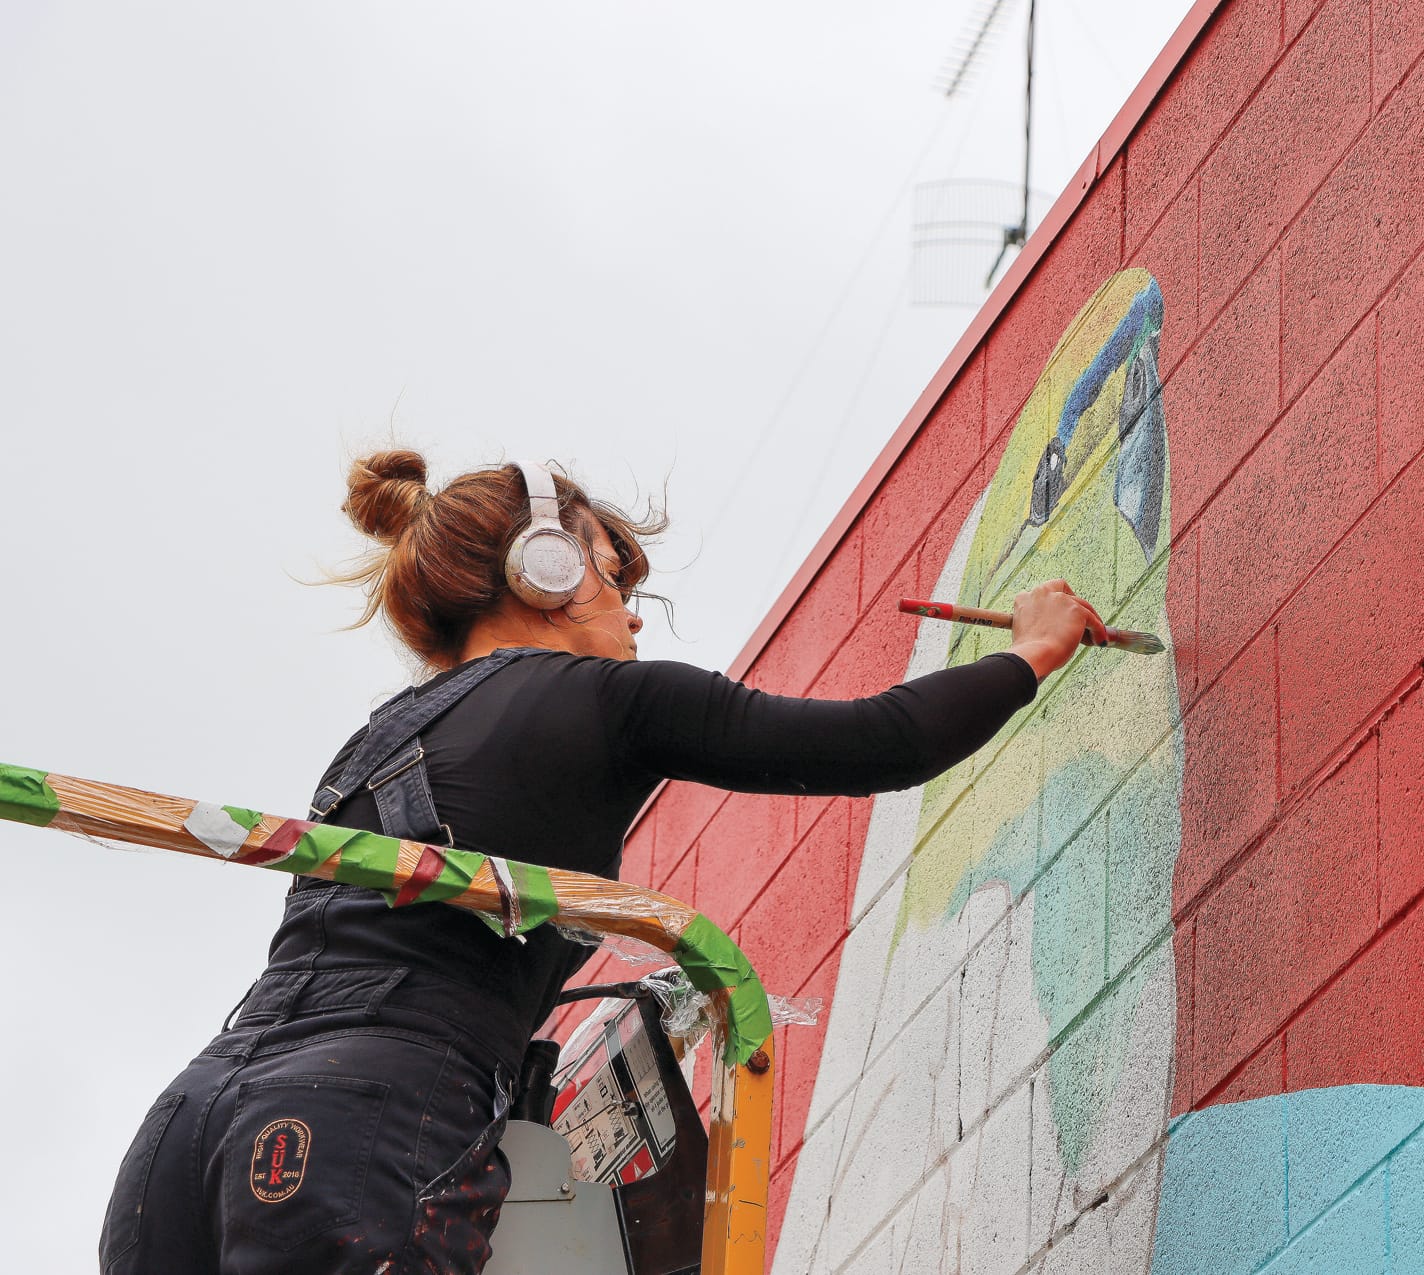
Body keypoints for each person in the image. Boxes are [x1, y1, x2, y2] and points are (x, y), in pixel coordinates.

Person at [98, 450, 1107, 1275]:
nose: (629, 614)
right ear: (544, 567)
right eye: (615, 579)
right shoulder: (604, 697)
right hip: (372, 1112)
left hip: (191, 1129)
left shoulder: (372, 742)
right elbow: (879, 741)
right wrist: (1026, 653)